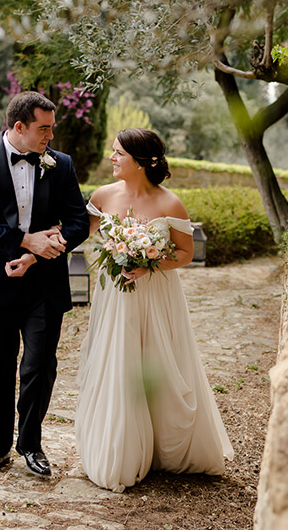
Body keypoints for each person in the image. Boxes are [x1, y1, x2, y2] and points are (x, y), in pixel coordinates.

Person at [76, 127, 234, 492]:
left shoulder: (170, 204)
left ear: (141, 162)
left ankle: (165, 447)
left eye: (118, 153)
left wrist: (146, 264)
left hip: (157, 295)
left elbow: (185, 253)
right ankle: (122, 448)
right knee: (118, 361)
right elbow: (79, 232)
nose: (111, 158)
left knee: (159, 362)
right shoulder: (102, 196)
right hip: (116, 297)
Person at [0, 91, 89, 477]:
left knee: (39, 367)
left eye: (51, 127)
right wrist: (23, 240)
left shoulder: (60, 164)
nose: (50, 136)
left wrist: (39, 252)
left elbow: (78, 221)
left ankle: (31, 444)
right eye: (43, 129)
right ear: (19, 127)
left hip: (43, 284)